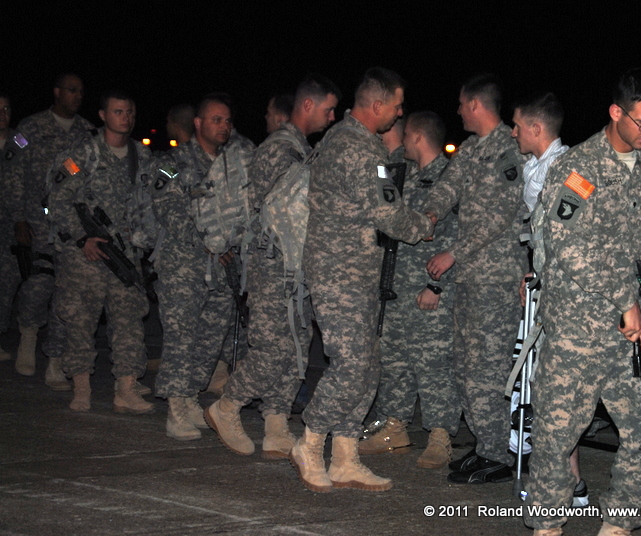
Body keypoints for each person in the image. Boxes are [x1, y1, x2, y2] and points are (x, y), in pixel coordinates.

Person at [524, 69, 641, 536]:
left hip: (629, 334)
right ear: (616, 113)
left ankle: (619, 523)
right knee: (556, 437)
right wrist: (624, 299)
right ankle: (547, 526)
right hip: (577, 329)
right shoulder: (580, 169)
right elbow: (568, 245)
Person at [290, 67, 434, 493]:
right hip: (340, 274)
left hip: (356, 273)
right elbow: (389, 213)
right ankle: (310, 442)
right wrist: (423, 225)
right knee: (353, 365)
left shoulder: (349, 141)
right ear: (377, 105)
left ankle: (345, 456)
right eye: (396, 106)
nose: (400, 113)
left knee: (367, 365)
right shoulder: (360, 150)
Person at [205, 74, 340, 458]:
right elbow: (281, 216)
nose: (332, 117)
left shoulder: (299, 148)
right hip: (272, 267)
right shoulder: (279, 149)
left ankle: (276, 423)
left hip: (295, 268)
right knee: (273, 350)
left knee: (296, 347)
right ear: (308, 105)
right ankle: (226, 407)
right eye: (328, 109)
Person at [423, 74, 527, 484]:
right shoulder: (470, 149)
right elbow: (447, 186)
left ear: (475, 105)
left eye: (462, 104)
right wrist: (430, 213)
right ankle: (486, 444)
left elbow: (499, 217)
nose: (458, 111)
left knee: (486, 370)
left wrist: (453, 253)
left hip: (496, 279)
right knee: (464, 367)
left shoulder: (508, 150)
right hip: (469, 278)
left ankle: (497, 453)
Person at [358, 111, 461, 469]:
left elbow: (458, 237)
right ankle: (395, 427)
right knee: (395, 360)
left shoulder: (449, 178)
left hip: (429, 288)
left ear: (417, 137)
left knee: (433, 363)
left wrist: (436, 286)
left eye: (405, 138)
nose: (401, 144)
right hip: (396, 286)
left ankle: (440, 435)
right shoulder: (404, 175)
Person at [149, 94, 253, 441]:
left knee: (210, 337)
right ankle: (176, 407)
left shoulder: (232, 164)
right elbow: (169, 208)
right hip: (184, 265)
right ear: (198, 123)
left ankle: (191, 396)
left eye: (227, 121)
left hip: (223, 267)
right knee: (181, 336)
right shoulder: (173, 162)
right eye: (215, 120)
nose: (223, 127)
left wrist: (232, 243)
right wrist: (210, 241)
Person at [47, 90, 154, 413]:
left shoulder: (141, 155)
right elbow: (57, 199)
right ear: (103, 115)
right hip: (86, 255)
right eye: (118, 111)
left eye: (130, 112)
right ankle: (81, 387)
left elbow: (153, 196)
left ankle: (126, 388)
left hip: (124, 254)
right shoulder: (83, 154)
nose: (126, 117)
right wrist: (82, 238)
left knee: (129, 320)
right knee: (81, 320)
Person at [510, 92, 588, 507]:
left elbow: (573, 233)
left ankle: (567, 483)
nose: (513, 132)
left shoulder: (574, 169)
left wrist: (548, 273)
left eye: (518, 125)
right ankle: (570, 481)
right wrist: (535, 270)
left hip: (571, 296)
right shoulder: (534, 167)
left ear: (536, 128)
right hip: (548, 285)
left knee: (560, 390)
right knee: (548, 387)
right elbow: (541, 234)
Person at [8, 73, 95, 388]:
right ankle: (28, 334)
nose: (77, 96)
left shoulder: (88, 132)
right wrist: (18, 218)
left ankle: (55, 359)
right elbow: (14, 172)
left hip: (71, 226)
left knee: (66, 292)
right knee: (38, 284)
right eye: (72, 90)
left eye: (81, 91)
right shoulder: (30, 128)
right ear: (57, 92)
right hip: (37, 222)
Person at [0, 93, 20, 362]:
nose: (2, 114)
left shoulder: (20, 140)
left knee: (6, 281)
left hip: (12, 221)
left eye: (6, 108)